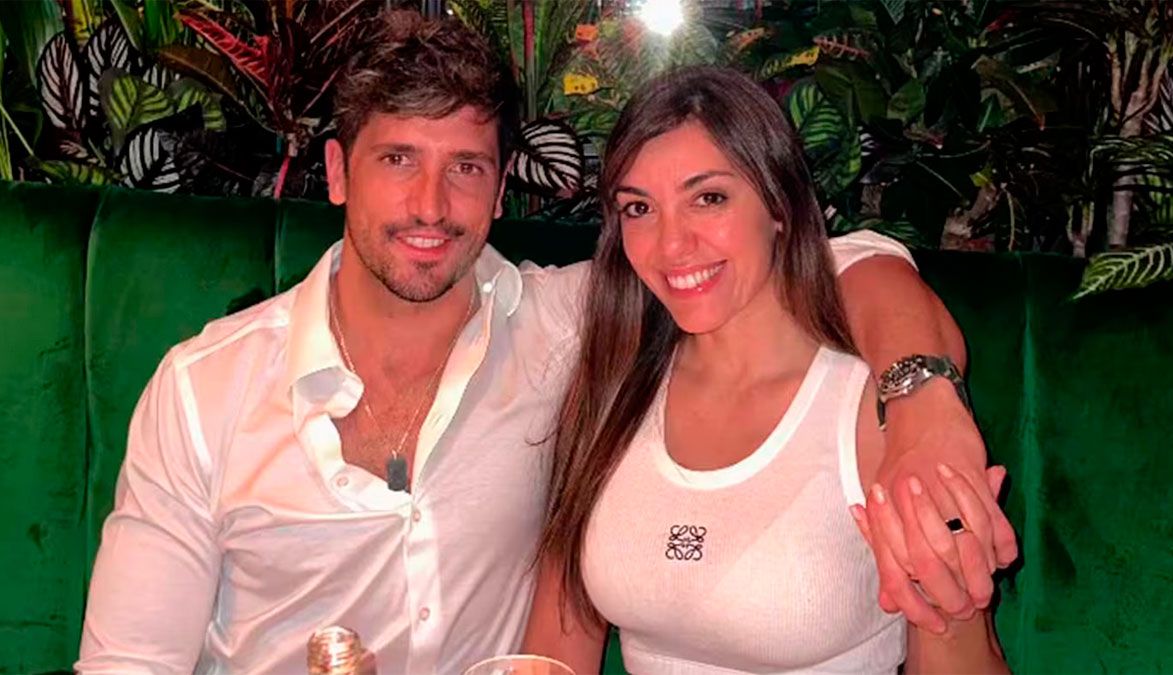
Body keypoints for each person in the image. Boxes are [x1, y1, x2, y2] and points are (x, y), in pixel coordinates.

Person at [76, 11, 1011, 675]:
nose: (431, 206)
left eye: (466, 167)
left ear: (499, 189)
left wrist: (923, 397)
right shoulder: (203, 391)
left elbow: (841, 261)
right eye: (398, 159)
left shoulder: (565, 328)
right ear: (337, 173)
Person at [523, 66, 1010, 673]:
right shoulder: (613, 382)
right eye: (639, 208)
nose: (671, 245)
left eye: (709, 198)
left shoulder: (870, 405)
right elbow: (557, 641)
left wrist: (952, 586)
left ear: (778, 205)